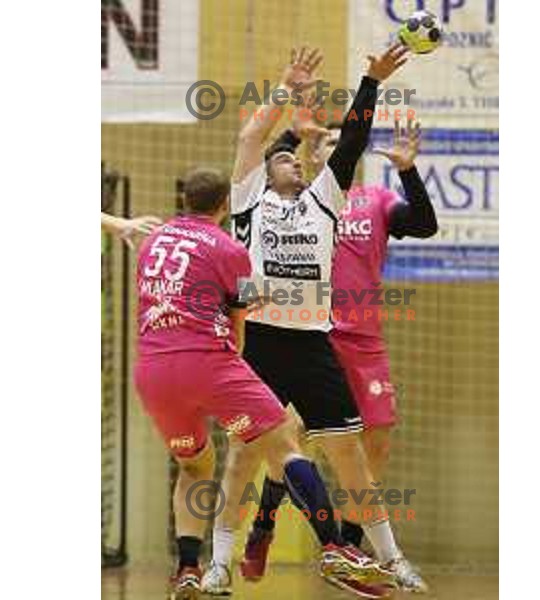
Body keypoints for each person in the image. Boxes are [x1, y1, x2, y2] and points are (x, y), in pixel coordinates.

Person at [201, 44, 412, 597]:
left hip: (313, 344)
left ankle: (390, 559)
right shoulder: (249, 201)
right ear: (267, 173)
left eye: (295, 157)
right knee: (243, 459)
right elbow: (250, 138)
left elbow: (355, 142)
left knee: (351, 457)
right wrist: (286, 90)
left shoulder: (323, 201)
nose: (292, 159)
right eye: (284, 157)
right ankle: (219, 561)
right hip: (262, 345)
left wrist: (371, 80)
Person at [134, 167, 392, 600]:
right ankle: (334, 546)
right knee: (286, 444)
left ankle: (188, 569)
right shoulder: (231, 248)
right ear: (224, 207)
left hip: (153, 372)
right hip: (210, 364)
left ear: (184, 203)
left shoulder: (151, 241)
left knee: (196, 466)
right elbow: (240, 322)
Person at [245, 116, 437, 592]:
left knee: (373, 446)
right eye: (324, 140)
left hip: (364, 339)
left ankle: (352, 549)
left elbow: (425, 226)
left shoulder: (375, 201)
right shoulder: (291, 202)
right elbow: (254, 164)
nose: (334, 145)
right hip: (309, 336)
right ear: (311, 152)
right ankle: (264, 524)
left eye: (341, 140)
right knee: (284, 443)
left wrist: (410, 172)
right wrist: (290, 130)